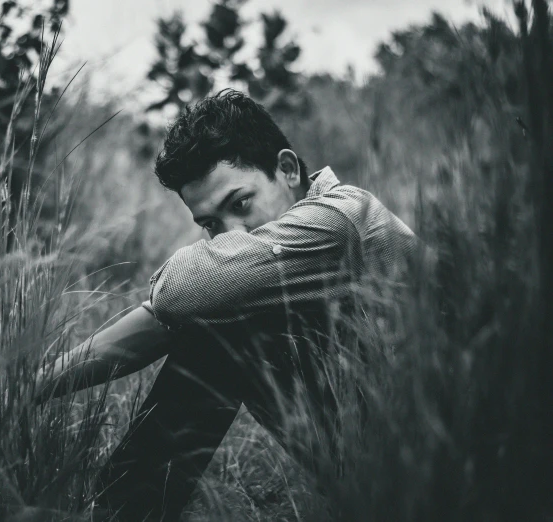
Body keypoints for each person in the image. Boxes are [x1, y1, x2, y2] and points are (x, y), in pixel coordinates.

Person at [33, 89, 419, 520]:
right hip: (372, 466)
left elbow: (179, 292)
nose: (233, 233)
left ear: (287, 169)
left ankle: (123, 515)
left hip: (438, 465)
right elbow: (162, 316)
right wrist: (31, 387)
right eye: (212, 224)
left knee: (223, 320)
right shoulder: (269, 263)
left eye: (240, 204)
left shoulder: (341, 219)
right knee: (221, 310)